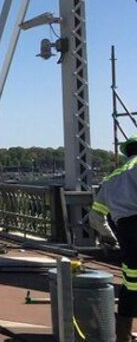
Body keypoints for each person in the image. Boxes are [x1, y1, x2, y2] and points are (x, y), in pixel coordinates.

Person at [91, 136, 137, 341]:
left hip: (126, 232)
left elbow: (95, 216)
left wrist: (111, 238)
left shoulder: (111, 178)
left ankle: (123, 336)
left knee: (131, 283)